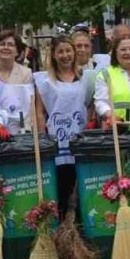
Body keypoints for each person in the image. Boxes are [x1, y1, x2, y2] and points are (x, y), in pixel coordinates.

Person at [34, 36, 89, 213]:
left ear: (74, 52)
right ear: (54, 55)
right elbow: (40, 112)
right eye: (60, 51)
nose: (65, 55)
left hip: (80, 137)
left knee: (81, 184)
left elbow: (91, 105)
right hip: (57, 140)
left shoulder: (85, 77)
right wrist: (44, 139)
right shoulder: (45, 81)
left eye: (68, 50)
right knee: (62, 185)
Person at [0, 30, 35, 135]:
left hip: (19, 132)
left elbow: (28, 106)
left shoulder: (26, 73)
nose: (6, 47)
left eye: (11, 45)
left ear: (17, 51)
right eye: (2, 44)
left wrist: (27, 131)